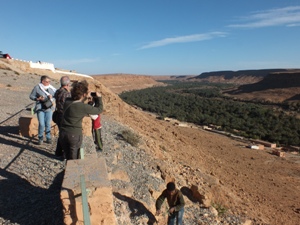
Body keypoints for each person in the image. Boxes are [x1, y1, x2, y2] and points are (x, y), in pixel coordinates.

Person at [59, 80, 103, 160]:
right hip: (74, 135)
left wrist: (85, 95)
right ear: (83, 94)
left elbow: (77, 101)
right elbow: (99, 110)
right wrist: (99, 98)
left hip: (63, 133)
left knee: (68, 158)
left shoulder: (67, 101)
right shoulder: (82, 107)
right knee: (74, 161)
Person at [29, 75, 56, 145]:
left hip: (49, 108)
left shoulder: (51, 88)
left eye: (49, 81)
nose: (48, 83)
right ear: (42, 81)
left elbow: (56, 96)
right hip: (40, 108)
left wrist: (51, 97)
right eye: (47, 82)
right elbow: (31, 96)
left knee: (48, 124)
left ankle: (48, 137)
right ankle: (40, 138)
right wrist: (37, 99)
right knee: (41, 124)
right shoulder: (37, 87)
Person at [54, 76, 71, 158]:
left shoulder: (57, 91)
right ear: (68, 84)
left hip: (58, 115)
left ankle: (58, 152)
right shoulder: (66, 93)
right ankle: (64, 154)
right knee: (65, 135)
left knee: (61, 134)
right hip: (64, 116)